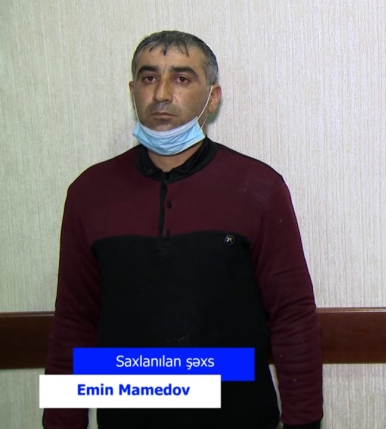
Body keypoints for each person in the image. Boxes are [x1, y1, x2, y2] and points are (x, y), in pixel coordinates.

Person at [43, 31, 323, 429]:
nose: (161, 94)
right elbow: (74, 320)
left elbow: (292, 315)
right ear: (133, 92)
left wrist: (304, 423)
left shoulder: (259, 188)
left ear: (212, 97)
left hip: (240, 417)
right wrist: (60, 422)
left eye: (181, 78)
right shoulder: (89, 193)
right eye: (148, 77)